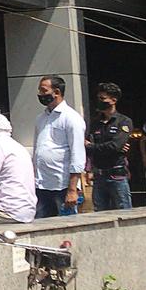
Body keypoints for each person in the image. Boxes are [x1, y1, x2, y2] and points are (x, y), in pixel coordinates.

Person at [32, 76, 86, 218]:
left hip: (62, 186)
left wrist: (73, 189)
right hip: (42, 184)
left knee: (66, 227)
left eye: (44, 90)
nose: (40, 94)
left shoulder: (71, 118)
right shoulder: (41, 118)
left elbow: (78, 155)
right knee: (41, 227)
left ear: (56, 92)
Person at [86, 82, 133, 211]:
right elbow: (85, 145)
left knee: (124, 213)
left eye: (103, 98)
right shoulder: (95, 122)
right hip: (99, 175)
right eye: (98, 98)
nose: (99, 101)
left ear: (113, 100)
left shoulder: (123, 121)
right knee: (100, 214)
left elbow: (115, 146)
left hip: (117, 175)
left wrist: (93, 146)